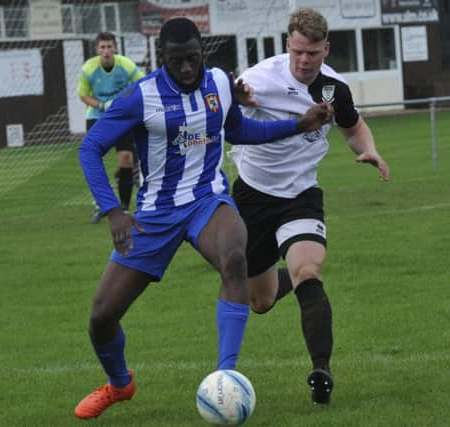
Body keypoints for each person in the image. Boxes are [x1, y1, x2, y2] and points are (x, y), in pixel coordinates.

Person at [74, 17, 332, 420]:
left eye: (194, 58)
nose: (188, 68)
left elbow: (241, 131)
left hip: (207, 202)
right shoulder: (140, 97)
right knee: (101, 318)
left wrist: (297, 125)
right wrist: (113, 211)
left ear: (202, 52)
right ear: (163, 58)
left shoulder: (219, 84)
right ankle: (120, 384)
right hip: (154, 216)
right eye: (178, 61)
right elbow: (90, 148)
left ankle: (225, 376)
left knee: (234, 258)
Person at [228, 8, 390, 405]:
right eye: (299, 52)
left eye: (313, 54)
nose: (305, 61)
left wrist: (368, 150)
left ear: (326, 50)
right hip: (252, 197)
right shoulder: (257, 79)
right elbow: (226, 116)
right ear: (288, 45)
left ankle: (321, 371)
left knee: (308, 268)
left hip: (301, 195)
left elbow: (353, 127)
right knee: (260, 301)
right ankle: (284, 276)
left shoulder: (335, 88)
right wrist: (236, 100)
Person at [77, 31, 145, 223]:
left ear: (115, 48)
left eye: (109, 47)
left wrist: (127, 102)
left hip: (122, 116)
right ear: (97, 50)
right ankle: (100, 205)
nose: (106, 51)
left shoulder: (126, 65)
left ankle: (123, 207)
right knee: (93, 158)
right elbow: (83, 95)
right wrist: (101, 105)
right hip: (97, 116)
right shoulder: (88, 68)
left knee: (126, 159)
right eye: (102, 47)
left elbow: (142, 84)